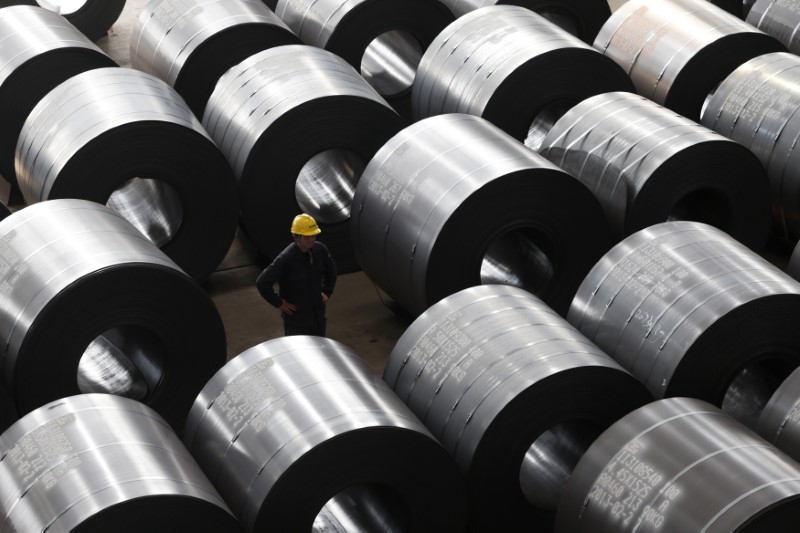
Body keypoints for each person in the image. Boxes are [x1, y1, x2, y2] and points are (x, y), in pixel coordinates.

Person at [256, 213, 337, 336]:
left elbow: (332, 271)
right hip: (296, 323)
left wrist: (327, 291)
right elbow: (262, 282)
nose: (312, 239)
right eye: (307, 236)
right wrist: (280, 303)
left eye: (313, 235)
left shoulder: (320, 250)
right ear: (296, 237)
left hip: (318, 317)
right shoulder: (286, 258)